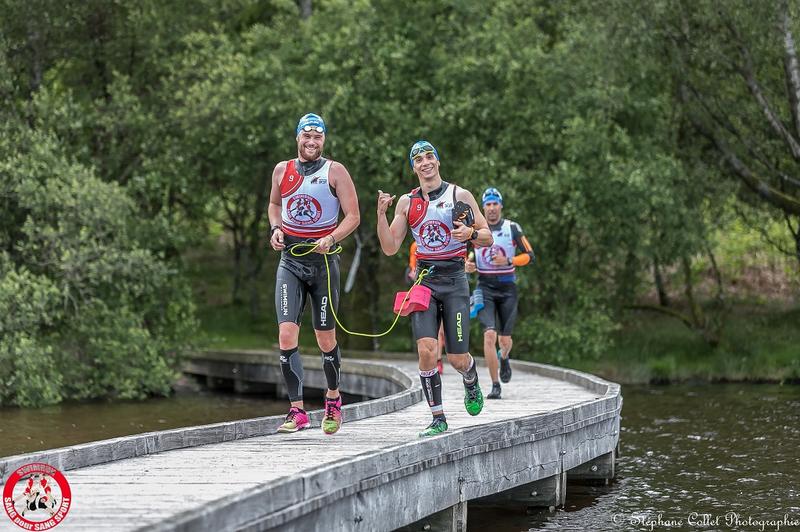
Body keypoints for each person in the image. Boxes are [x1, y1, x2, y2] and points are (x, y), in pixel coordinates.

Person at [377, 140, 493, 437]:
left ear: (438, 161)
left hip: (454, 280)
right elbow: (390, 247)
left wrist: (470, 233)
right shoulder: (407, 202)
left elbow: (487, 237)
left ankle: (470, 378)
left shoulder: (459, 195)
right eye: (418, 159)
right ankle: (438, 418)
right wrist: (380, 215)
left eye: (430, 157)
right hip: (425, 281)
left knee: (456, 358)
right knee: (426, 351)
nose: (425, 162)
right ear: (413, 167)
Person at [268, 113, 360, 434]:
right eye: (306, 136)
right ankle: (297, 411)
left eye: (317, 137)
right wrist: (275, 228)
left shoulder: (335, 171)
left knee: (325, 338)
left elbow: (353, 216)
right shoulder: (282, 170)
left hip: (323, 263)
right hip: (291, 261)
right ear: (297, 138)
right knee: (286, 335)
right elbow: (275, 205)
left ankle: (333, 399)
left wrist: (331, 238)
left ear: (324, 140)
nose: (311, 142)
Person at [466, 187, 534, 399]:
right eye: (488, 204)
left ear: (501, 206)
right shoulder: (475, 229)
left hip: (507, 288)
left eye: (495, 204)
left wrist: (509, 260)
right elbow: (465, 255)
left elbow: (530, 255)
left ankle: (504, 356)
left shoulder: (511, 227)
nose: (492, 208)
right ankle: (495, 385)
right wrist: (467, 265)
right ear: (483, 207)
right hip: (485, 287)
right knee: (489, 335)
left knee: (504, 340)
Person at [407, 241, 445, 374]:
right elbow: (412, 267)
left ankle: (438, 359)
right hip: (425, 289)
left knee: (441, 330)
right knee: (433, 328)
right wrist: (413, 273)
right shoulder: (416, 245)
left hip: (446, 287)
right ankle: (435, 360)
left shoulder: (446, 240)